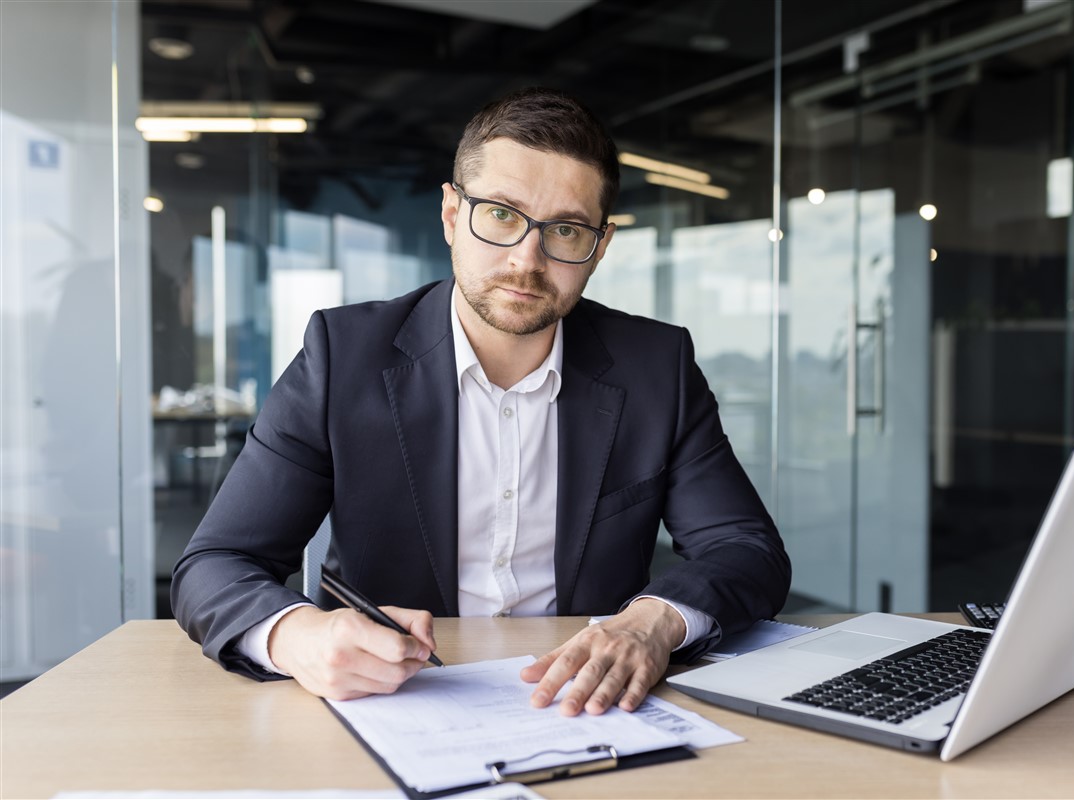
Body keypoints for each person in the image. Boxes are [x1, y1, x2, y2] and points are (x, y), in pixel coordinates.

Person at [172, 87, 791, 717]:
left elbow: (746, 549)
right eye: (500, 214)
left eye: (567, 229)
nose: (527, 260)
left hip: (590, 707)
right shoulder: (343, 356)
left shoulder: (655, 367)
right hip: (393, 703)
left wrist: (650, 624)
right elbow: (218, 563)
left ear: (600, 247)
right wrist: (298, 634)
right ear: (450, 214)